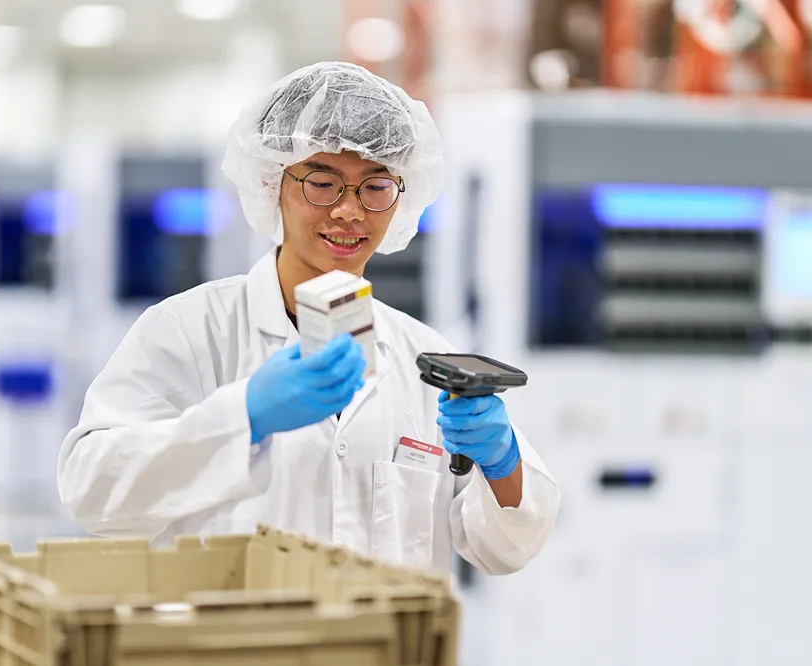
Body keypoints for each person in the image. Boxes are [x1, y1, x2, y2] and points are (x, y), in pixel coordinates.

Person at [57, 61, 560, 575]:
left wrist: (504, 463)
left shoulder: (423, 357)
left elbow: (505, 548)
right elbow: (92, 490)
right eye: (323, 183)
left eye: (376, 186)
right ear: (272, 181)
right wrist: (244, 417)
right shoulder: (190, 331)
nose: (349, 211)